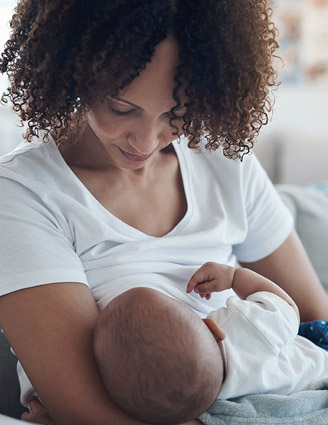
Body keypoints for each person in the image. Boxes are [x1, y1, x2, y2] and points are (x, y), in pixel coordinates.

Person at [0, 1, 328, 425]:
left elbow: (315, 320)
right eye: (121, 108)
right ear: (71, 70)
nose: (146, 140)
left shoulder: (223, 161)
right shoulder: (23, 193)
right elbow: (85, 411)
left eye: (177, 113)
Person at [93, 263, 328, 425]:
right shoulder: (240, 325)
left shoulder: (201, 403)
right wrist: (235, 276)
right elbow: (288, 309)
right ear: (213, 328)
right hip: (317, 356)